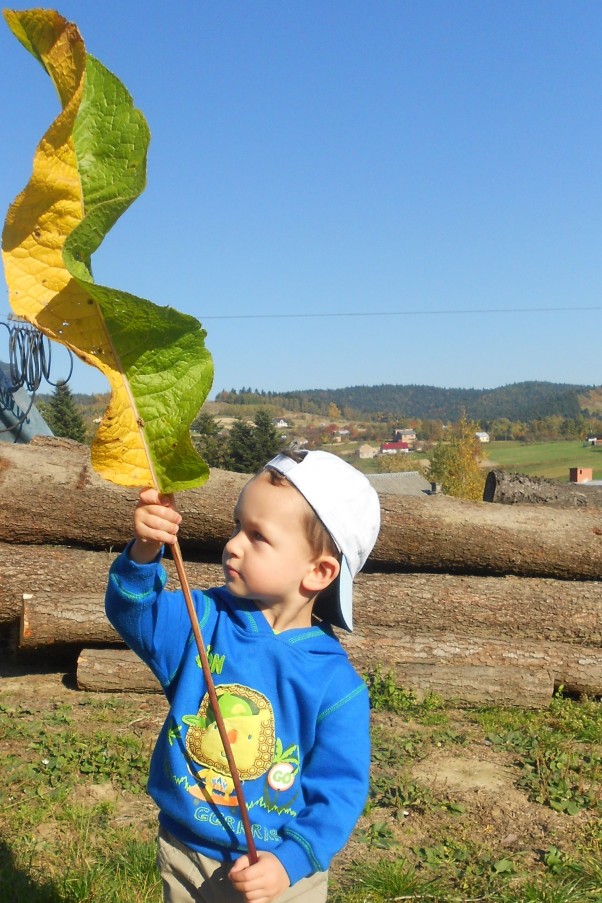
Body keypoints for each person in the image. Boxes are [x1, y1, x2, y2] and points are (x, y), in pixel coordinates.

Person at [105, 449, 381, 903]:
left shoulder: (336, 686)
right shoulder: (203, 621)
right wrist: (146, 550)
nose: (233, 544)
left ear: (319, 571)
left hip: (278, 877)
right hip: (185, 852)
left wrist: (288, 863)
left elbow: (339, 791)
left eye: (258, 536)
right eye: (237, 526)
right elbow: (134, 613)